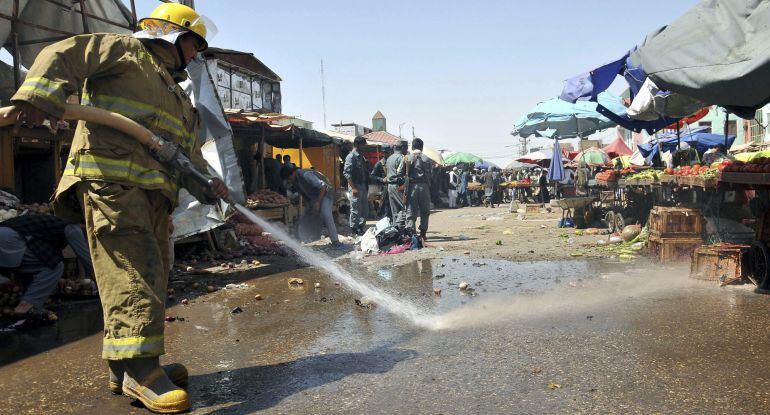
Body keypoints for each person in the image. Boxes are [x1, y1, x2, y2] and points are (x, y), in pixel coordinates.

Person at [6, 3, 228, 412]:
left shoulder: (177, 96)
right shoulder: (125, 52)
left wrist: (207, 182)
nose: (197, 55)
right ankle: (144, 373)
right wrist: (39, 97)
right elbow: (62, 53)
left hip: (151, 197)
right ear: (173, 36)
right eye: (195, 45)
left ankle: (122, 366)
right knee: (134, 273)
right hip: (112, 185)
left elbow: (185, 154)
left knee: (153, 273)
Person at [0, 214, 93, 320]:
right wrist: (103, 284)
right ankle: (24, 307)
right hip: (12, 240)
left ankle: (35, 307)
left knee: (34, 269)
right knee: (55, 266)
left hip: (8, 235)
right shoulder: (73, 228)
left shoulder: (57, 222)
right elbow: (87, 259)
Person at [283, 166, 340, 246]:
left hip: (325, 194)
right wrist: (310, 206)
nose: (290, 181)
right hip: (314, 198)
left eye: (289, 178)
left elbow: (323, 186)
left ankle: (335, 241)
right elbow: (304, 194)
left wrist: (318, 202)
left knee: (326, 214)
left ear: (292, 174)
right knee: (305, 217)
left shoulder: (306, 174)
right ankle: (301, 239)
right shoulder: (295, 181)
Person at [404, 138, 433, 240]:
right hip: (424, 187)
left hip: (411, 187)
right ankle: (423, 234)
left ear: (412, 147)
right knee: (425, 210)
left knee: (411, 211)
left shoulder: (407, 158)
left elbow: (402, 173)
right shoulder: (426, 158)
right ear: (422, 147)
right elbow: (431, 174)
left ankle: (411, 234)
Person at [343, 136, 370, 235]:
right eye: (363, 145)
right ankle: (354, 230)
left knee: (365, 209)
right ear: (357, 145)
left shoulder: (361, 156)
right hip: (355, 186)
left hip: (362, 185)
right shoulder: (351, 156)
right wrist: (353, 188)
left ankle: (360, 227)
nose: (364, 147)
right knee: (355, 209)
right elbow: (346, 173)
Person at [386, 140, 409, 227]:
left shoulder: (389, 158)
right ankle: (401, 227)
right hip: (398, 185)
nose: (407, 150)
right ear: (402, 147)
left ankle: (396, 229)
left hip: (390, 185)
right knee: (404, 208)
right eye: (406, 147)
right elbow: (401, 174)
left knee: (394, 210)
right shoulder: (401, 158)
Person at [370, 148, 392, 219]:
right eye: (386, 152)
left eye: (389, 152)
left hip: (392, 187)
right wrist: (382, 179)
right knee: (385, 208)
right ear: (383, 153)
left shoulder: (392, 162)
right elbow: (372, 176)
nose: (388, 154)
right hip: (383, 188)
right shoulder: (379, 164)